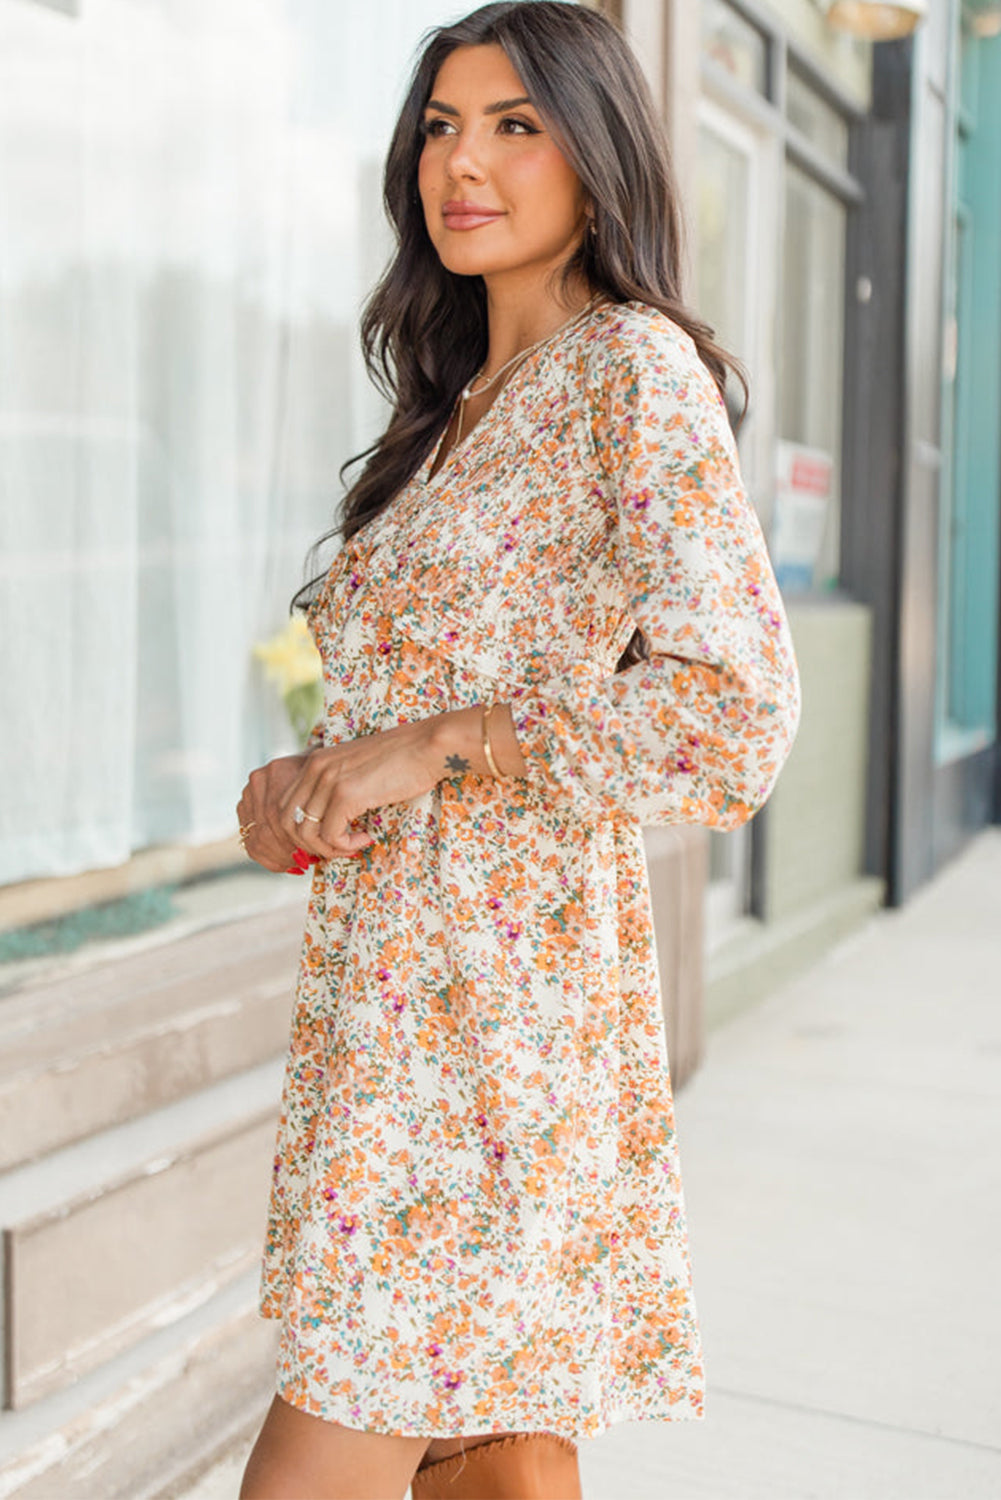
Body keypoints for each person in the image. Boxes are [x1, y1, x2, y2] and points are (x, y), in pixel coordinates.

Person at [235, 3, 801, 1496]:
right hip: (385, 1016)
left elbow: (732, 716)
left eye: (511, 124)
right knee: (487, 1460)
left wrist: (438, 743)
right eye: (437, 125)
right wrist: (306, 785)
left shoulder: (632, 373)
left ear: (595, 156)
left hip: (500, 1033)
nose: (460, 163)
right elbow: (406, 719)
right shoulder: (441, 416)